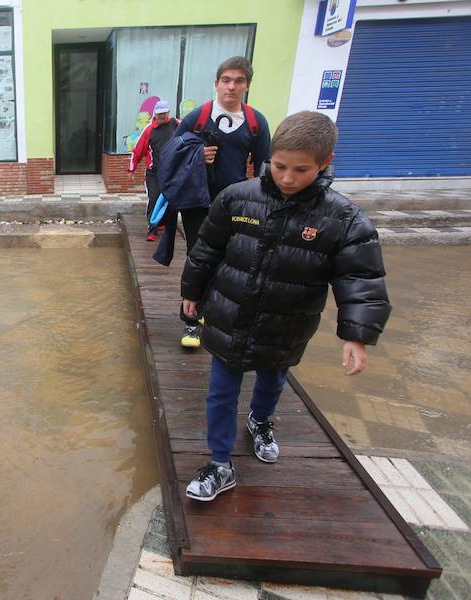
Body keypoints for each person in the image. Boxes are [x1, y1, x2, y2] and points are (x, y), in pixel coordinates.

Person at [179, 111, 391, 502]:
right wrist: (191, 290)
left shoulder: (342, 219)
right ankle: (220, 462)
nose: (288, 178)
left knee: (272, 380)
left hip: (287, 323)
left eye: (301, 169)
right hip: (231, 313)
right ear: (269, 157)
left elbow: (360, 278)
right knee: (221, 390)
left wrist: (357, 336)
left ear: (325, 163)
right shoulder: (237, 198)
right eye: (279, 166)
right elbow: (206, 249)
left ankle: (260, 421)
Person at [172, 56, 271, 347]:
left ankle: (215, 314)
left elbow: (265, 165)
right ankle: (191, 320)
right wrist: (196, 156)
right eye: (226, 80)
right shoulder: (198, 117)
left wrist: (263, 202)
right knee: (198, 257)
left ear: (247, 85)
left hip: (236, 205)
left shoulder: (255, 122)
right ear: (216, 84)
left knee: (232, 259)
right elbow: (172, 153)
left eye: (239, 81)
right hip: (198, 203)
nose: (231, 86)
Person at [128, 100, 179, 241]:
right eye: (159, 114)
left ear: (168, 112)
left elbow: (189, 138)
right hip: (154, 173)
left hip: (172, 172)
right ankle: (152, 229)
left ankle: (163, 223)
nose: (162, 116)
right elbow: (138, 150)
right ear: (155, 114)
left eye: (164, 113)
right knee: (154, 199)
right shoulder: (149, 130)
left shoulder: (177, 125)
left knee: (170, 200)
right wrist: (132, 168)